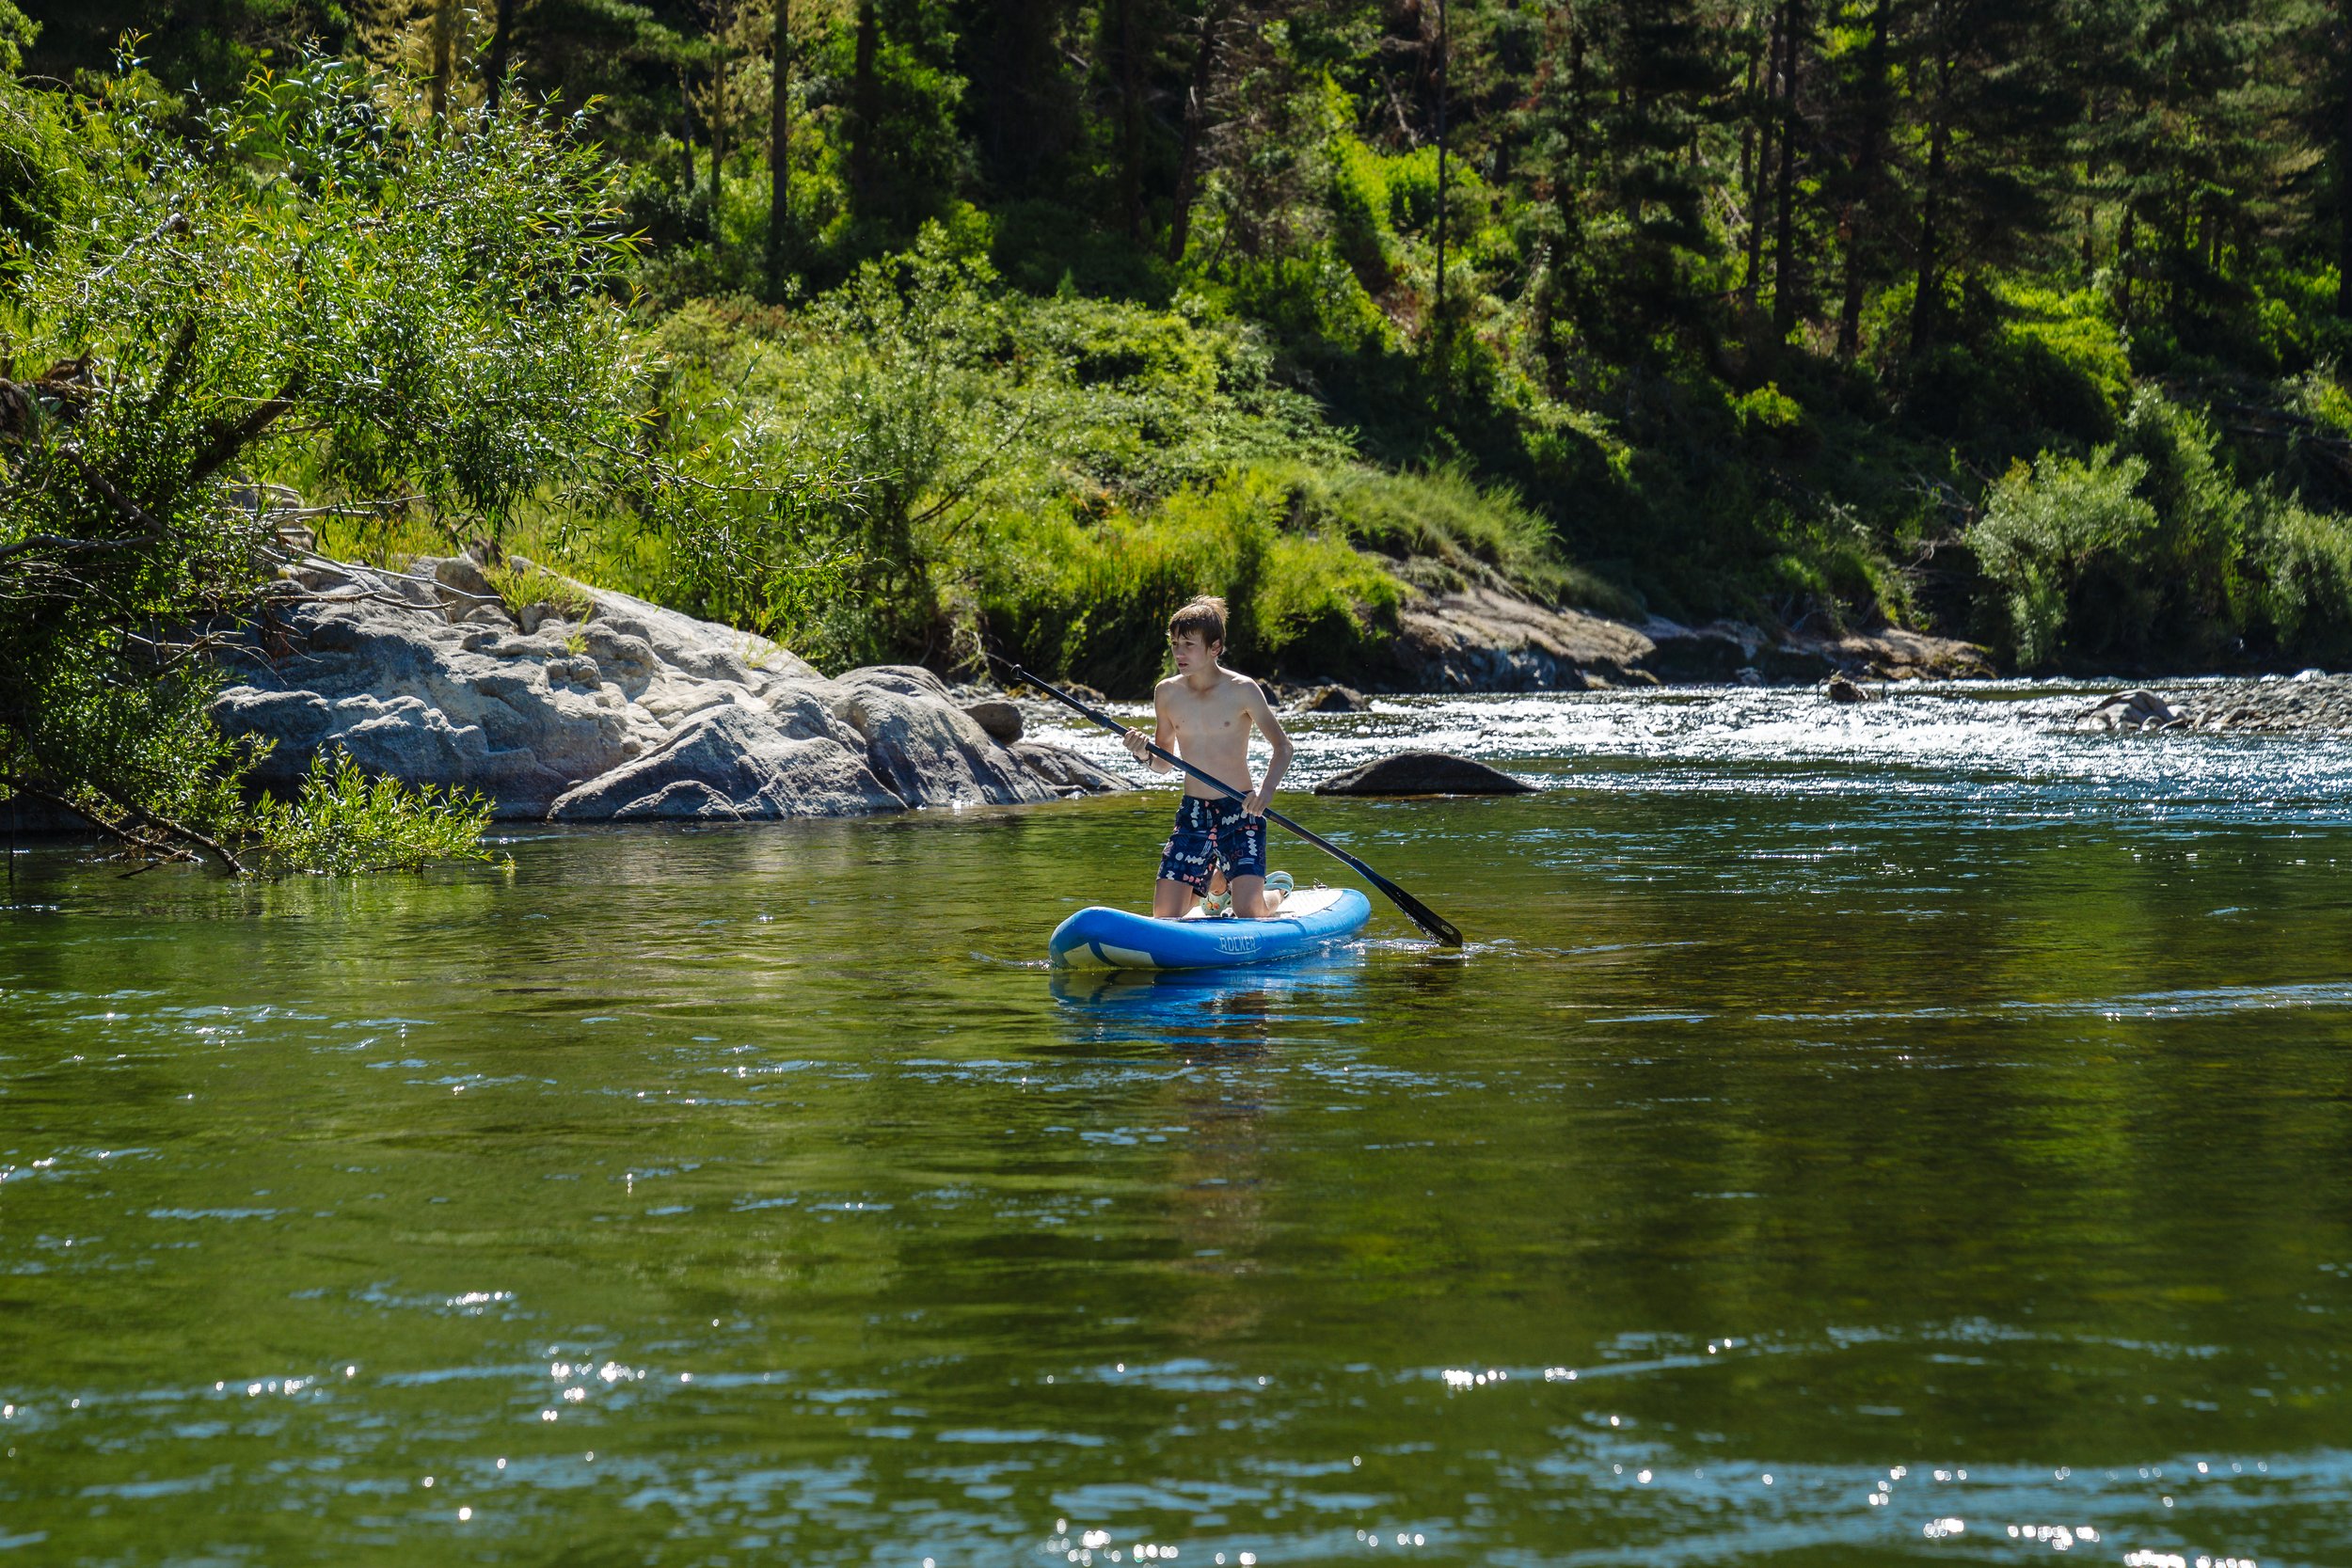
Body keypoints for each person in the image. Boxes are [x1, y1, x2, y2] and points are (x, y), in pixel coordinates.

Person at [1123, 596, 1295, 920]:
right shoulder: (1167, 692)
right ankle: (1218, 885)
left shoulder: (1242, 689)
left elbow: (1283, 747)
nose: (1179, 653)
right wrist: (1142, 753)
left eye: (1188, 644)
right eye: (1175, 644)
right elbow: (1163, 764)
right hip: (1194, 813)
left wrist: (1265, 793)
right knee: (1165, 915)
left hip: (1240, 810)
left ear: (1214, 647)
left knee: (1248, 912)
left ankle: (1271, 893)